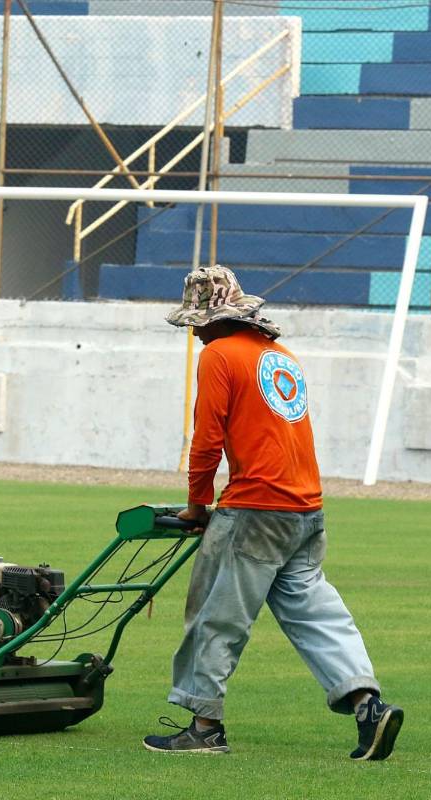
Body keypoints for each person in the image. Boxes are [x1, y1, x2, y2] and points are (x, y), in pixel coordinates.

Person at [142, 265, 404, 759]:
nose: (195, 334)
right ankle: (368, 704)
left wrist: (198, 505)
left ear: (215, 319)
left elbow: (207, 442)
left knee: (216, 616)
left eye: (198, 323)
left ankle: (203, 727)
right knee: (317, 614)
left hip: (254, 510)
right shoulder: (280, 357)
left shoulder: (220, 355)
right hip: (305, 510)